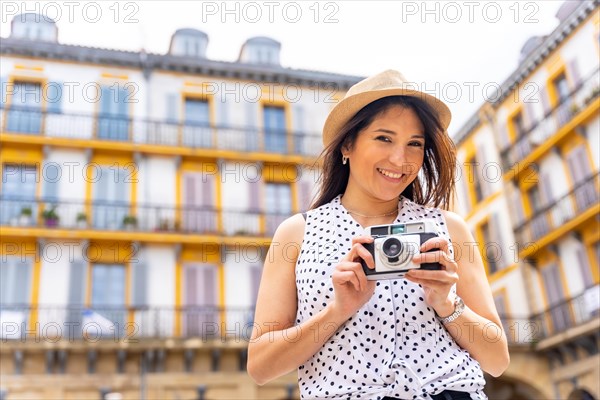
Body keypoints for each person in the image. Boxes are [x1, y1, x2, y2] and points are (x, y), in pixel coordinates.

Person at [247, 70, 510, 400]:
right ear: (347, 144)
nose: (400, 159)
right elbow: (260, 367)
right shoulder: (297, 233)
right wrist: (337, 311)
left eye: (415, 144)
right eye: (384, 138)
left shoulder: (448, 228)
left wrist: (447, 303)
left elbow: (498, 360)